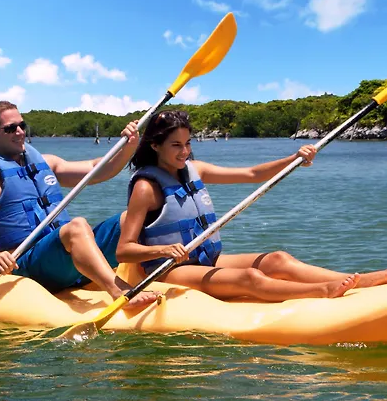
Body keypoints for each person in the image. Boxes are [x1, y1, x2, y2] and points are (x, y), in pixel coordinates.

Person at [116, 110, 387, 302]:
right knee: (249, 277)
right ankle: (323, 290)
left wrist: (294, 158)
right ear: (155, 145)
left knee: (277, 259)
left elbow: (252, 174)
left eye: (187, 143)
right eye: (176, 145)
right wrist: (163, 250)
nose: (184, 151)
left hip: (206, 259)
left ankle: (361, 280)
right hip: (171, 270)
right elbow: (124, 251)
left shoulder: (195, 169)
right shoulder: (146, 188)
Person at [0, 101, 158, 308]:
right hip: (29, 266)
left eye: (22, 125)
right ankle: (120, 291)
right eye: (10, 128)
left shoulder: (44, 163)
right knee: (76, 227)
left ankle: (159, 272)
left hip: (62, 256)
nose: (20, 132)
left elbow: (97, 169)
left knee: (129, 219)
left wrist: (129, 147)